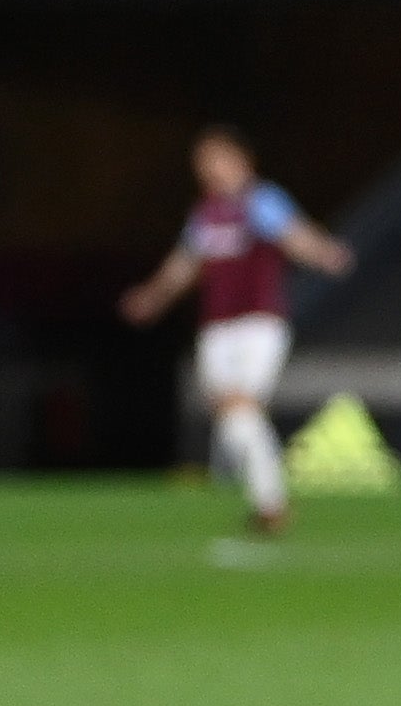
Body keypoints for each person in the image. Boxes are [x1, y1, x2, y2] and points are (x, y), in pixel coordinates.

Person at [120, 128, 353, 538]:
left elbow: (293, 235)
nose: (209, 169)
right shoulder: (205, 214)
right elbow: (186, 263)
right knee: (233, 418)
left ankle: (272, 502)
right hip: (217, 328)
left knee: (240, 405)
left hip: (259, 322)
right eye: (203, 162)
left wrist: (323, 252)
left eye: (216, 158)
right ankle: (268, 502)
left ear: (240, 160)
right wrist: (152, 297)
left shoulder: (259, 202)